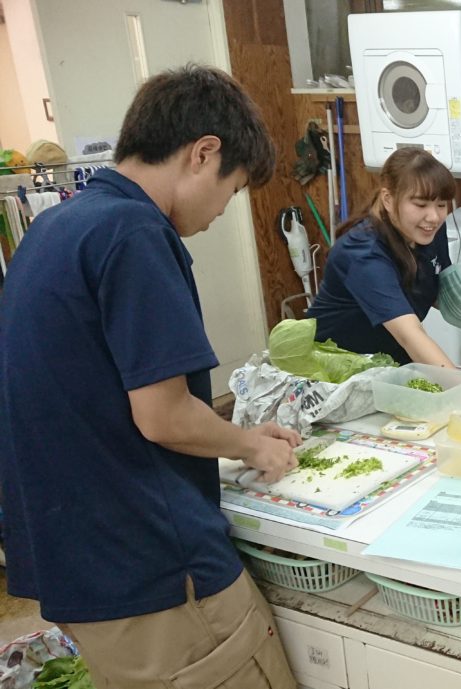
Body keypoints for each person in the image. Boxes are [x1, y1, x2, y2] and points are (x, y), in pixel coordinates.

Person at [0, 65, 300, 688]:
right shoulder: (133, 230)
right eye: (233, 187)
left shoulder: (58, 226)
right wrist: (253, 444)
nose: (223, 210)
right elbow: (161, 415)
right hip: (149, 569)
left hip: (75, 560)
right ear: (203, 153)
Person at [307, 147, 461, 367]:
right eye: (420, 205)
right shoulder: (362, 253)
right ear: (388, 199)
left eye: (441, 205)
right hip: (334, 368)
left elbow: (430, 285)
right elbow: (409, 335)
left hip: (389, 361)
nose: (434, 216)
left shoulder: (430, 231)